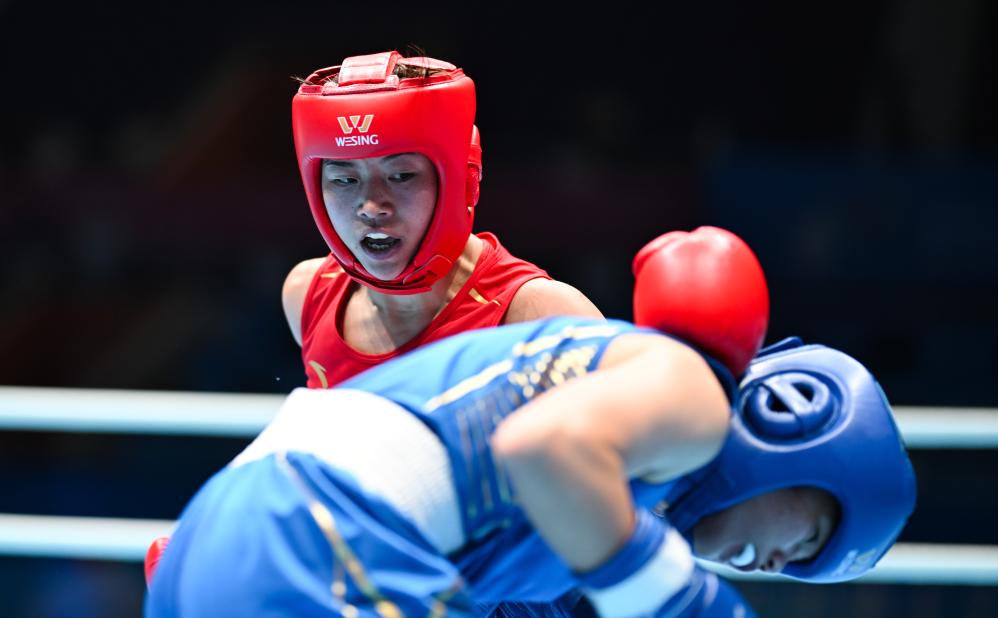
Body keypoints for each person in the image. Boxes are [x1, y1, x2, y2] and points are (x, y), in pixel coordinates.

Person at [144, 229, 918, 616]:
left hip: (239, 536)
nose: (777, 563)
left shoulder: (593, 526)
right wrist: (681, 601)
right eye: (808, 538)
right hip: (322, 532)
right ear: (789, 419)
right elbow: (544, 447)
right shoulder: (691, 391)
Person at [282, 50, 602, 389]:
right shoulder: (307, 294)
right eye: (345, 180)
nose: (371, 207)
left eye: (401, 175)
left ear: (462, 179)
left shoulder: (541, 316)